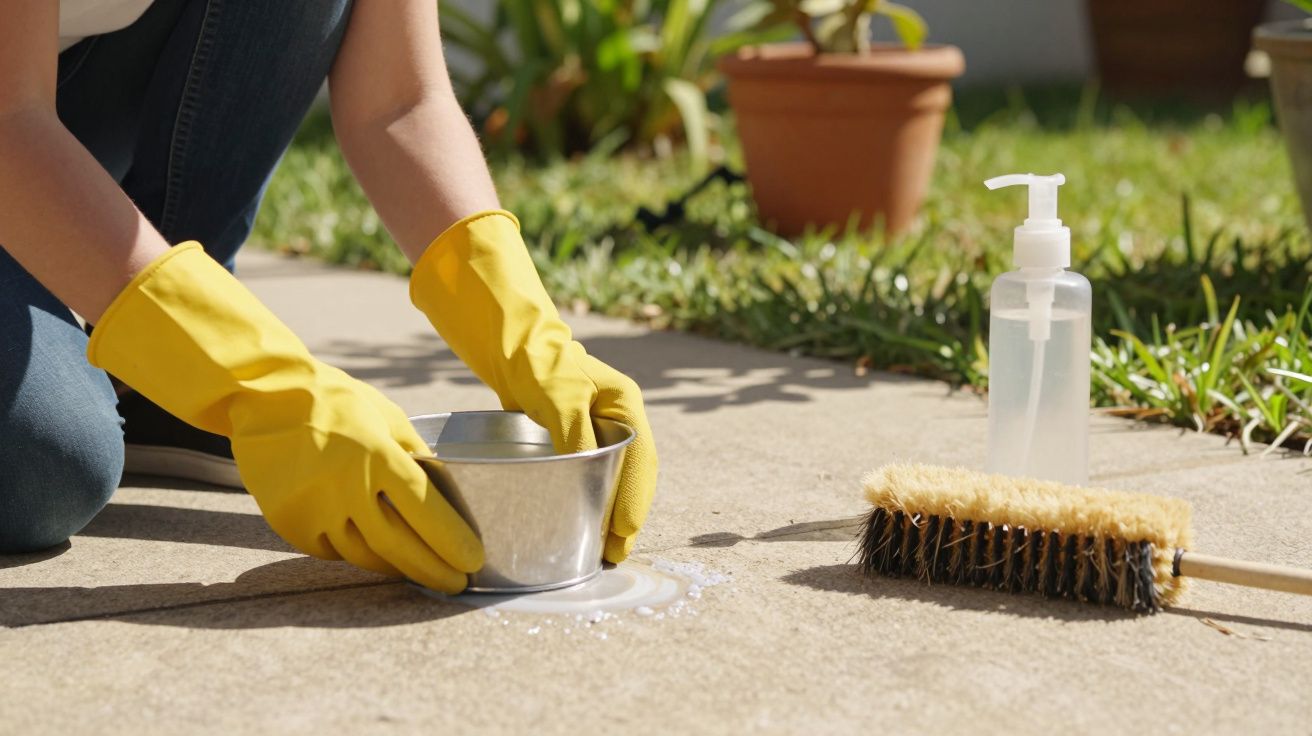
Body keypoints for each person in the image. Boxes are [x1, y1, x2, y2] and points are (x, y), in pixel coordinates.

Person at [0, 0, 658, 594]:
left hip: (59, 105)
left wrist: (522, 328)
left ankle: (152, 384)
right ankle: (167, 359)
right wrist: (256, 381)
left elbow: (398, 100)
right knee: (41, 467)